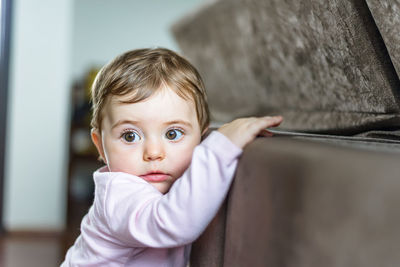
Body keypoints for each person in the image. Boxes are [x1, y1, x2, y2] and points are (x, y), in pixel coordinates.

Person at [61, 48, 282, 266]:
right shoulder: (118, 194)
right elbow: (173, 222)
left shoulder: (174, 183)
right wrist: (220, 148)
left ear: (201, 137)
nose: (154, 153)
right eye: (130, 136)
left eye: (172, 134)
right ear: (100, 145)